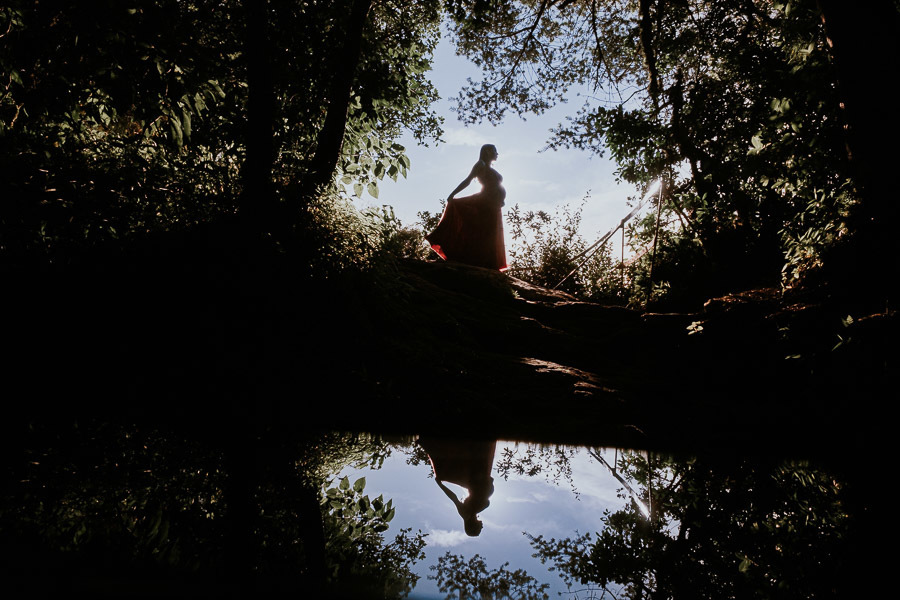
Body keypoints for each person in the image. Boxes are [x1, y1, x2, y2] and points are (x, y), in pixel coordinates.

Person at [425, 144, 508, 271]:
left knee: (490, 232)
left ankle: (488, 264)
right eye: (495, 151)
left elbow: (496, 186)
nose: (497, 153)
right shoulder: (480, 164)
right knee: (485, 232)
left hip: (493, 203)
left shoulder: (489, 167)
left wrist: (501, 199)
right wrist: (452, 194)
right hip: (485, 202)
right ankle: (479, 263)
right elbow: (468, 180)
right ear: (487, 152)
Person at [417, 435, 497, 537]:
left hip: (477, 482)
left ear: (473, 526)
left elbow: (453, 497)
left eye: (479, 529)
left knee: (477, 451)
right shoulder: (473, 512)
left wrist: (441, 485)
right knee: (481, 450)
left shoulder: (466, 514)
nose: (482, 527)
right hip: (481, 481)